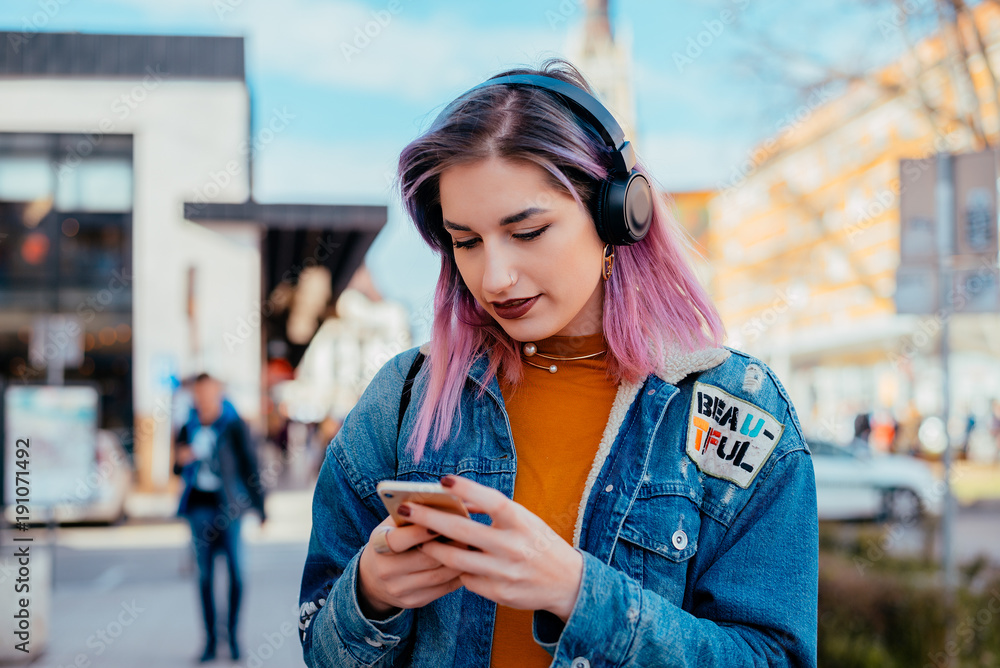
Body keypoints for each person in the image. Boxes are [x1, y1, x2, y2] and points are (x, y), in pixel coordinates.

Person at [298, 59, 818, 667]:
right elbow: (321, 648)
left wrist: (579, 594)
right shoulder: (403, 398)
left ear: (617, 216)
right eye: (465, 241)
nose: (494, 277)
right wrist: (371, 597)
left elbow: (773, 657)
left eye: (527, 232)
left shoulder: (737, 409)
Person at [174, 373, 267, 663]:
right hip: (199, 506)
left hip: (231, 508)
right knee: (204, 577)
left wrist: (261, 506)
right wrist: (182, 459)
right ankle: (211, 641)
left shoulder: (233, 424)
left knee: (238, 574)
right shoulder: (186, 426)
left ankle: (234, 637)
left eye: (208, 392)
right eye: (198, 394)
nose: (203, 399)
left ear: (218, 393)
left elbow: (250, 464)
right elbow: (175, 466)